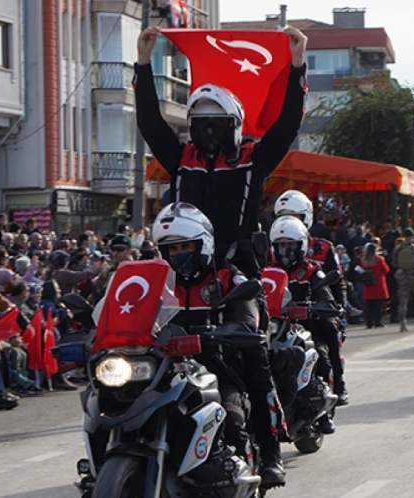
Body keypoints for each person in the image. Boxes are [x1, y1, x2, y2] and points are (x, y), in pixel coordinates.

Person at [135, 26, 308, 278]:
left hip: (240, 271)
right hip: (187, 270)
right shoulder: (181, 159)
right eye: (202, 125)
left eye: (217, 125)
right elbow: (149, 122)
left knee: (246, 318)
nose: (209, 134)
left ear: (234, 125)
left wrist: (297, 64)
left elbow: (288, 123)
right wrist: (143, 62)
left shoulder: (253, 160)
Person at [152, 202, 286, 488]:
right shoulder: (158, 284)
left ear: (202, 245)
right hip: (164, 372)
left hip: (218, 368)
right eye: (172, 250)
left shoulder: (227, 278)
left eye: (184, 247)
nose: (178, 255)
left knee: (237, 412)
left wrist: (233, 330)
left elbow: (248, 316)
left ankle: (269, 455)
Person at [267, 215, 348, 418]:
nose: (286, 249)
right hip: (276, 326)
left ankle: (333, 393)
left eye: (291, 244)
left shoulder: (312, 271)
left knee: (325, 346)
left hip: (309, 326)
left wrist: (322, 306)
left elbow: (326, 295)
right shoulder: (267, 271)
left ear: (302, 245)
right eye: (282, 245)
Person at [360, 243, 389, 328]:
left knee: (369, 305)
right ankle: (377, 322)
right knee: (378, 306)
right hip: (378, 284)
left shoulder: (364, 260)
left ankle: (369, 323)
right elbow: (386, 270)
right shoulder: (379, 260)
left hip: (368, 285)